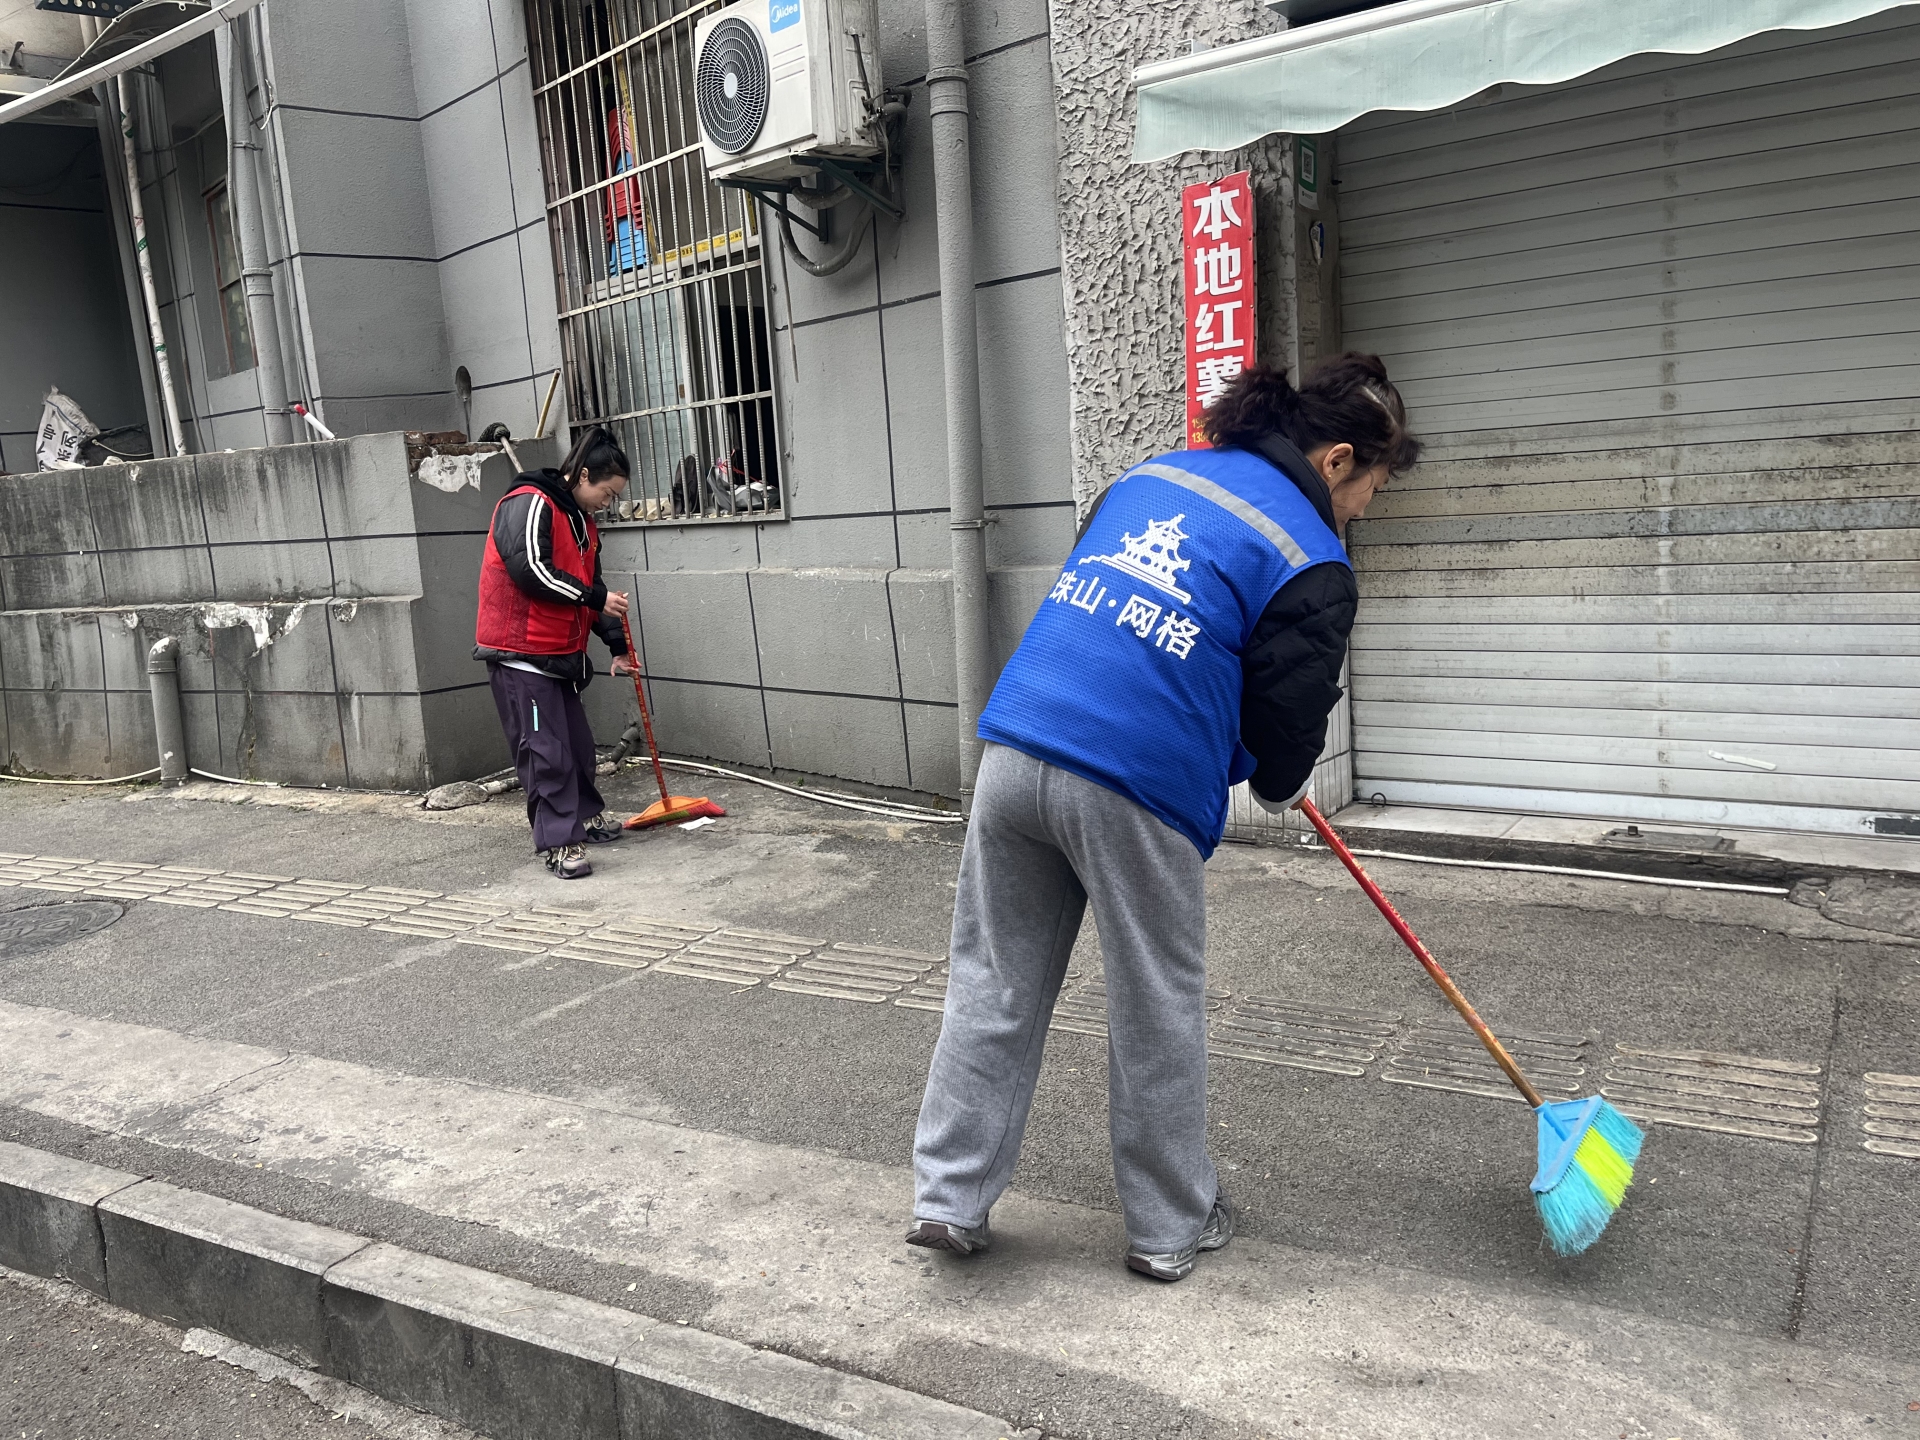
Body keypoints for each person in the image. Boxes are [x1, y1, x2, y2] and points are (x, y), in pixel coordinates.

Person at [907, 354, 1421, 1281]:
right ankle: (1168, 1226)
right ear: (1339, 459)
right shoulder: (1311, 554)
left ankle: (948, 1197)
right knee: (1155, 1003)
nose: (1363, 509)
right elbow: (1285, 718)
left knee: (994, 981)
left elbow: (1110, 607)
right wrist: (1278, 777)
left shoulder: (1152, 475)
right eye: (1374, 488)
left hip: (1017, 745)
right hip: (1134, 783)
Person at [474, 426, 639, 880]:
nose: (608, 503)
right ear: (583, 475)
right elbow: (531, 570)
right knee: (545, 752)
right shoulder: (528, 502)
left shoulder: (583, 521)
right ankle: (559, 841)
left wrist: (618, 647)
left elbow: (591, 589)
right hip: (520, 651)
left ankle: (584, 817)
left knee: (578, 747)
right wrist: (595, 598)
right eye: (607, 493)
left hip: (560, 653)